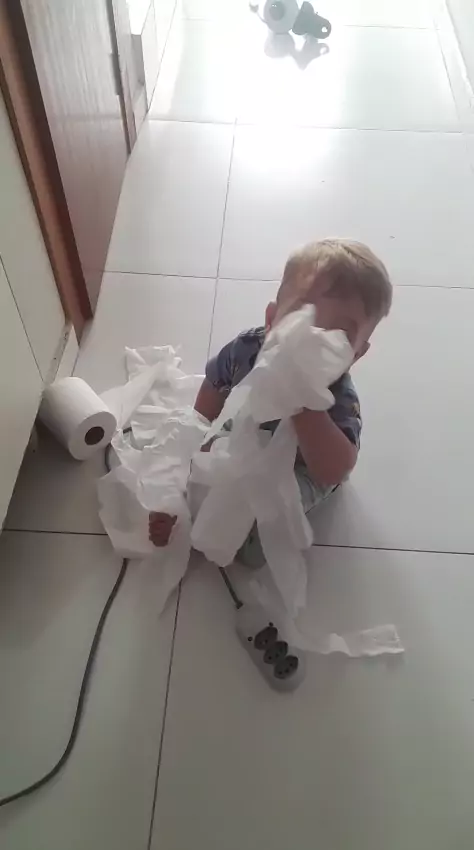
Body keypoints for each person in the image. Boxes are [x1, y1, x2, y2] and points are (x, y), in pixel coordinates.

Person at [149, 238, 392, 561]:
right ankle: (179, 511)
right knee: (202, 463)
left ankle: (251, 537)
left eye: (339, 337)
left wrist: (306, 407)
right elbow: (215, 384)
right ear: (272, 318)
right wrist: (198, 428)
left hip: (305, 465)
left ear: (356, 354)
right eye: (302, 319)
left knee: (268, 522)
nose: (311, 340)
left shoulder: (339, 398)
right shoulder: (249, 349)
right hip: (253, 425)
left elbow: (333, 470)